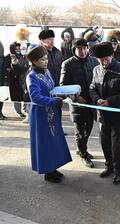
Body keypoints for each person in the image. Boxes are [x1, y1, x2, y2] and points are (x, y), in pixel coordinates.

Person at [25, 45, 72, 183]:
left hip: (51, 112)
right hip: (40, 115)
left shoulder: (47, 72)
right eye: (42, 60)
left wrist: (62, 95)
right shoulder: (32, 77)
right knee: (45, 142)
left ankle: (53, 167)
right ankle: (47, 172)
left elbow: (52, 89)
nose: (46, 61)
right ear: (34, 61)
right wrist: (54, 101)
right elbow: (35, 97)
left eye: (46, 59)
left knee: (54, 141)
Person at [89, 42, 120, 184]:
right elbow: (92, 88)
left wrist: (110, 101)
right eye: (100, 60)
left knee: (117, 146)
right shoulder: (96, 70)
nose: (104, 62)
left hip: (118, 115)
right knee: (104, 142)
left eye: (106, 59)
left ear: (112, 55)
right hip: (102, 115)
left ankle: (118, 170)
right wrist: (97, 99)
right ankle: (109, 166)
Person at [60, 38, 99, 168]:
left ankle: (81, 148)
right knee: (80, 131)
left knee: (89, 128)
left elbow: (97, 80)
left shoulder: (93, 61)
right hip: (77, 104)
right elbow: (63, 85)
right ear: (74, 50)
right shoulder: (67, 64)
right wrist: (76, 96)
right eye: (79, 49)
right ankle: (83, 153)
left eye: (84, 48)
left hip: (91, 102)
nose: (82, 51)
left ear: (88, 48)